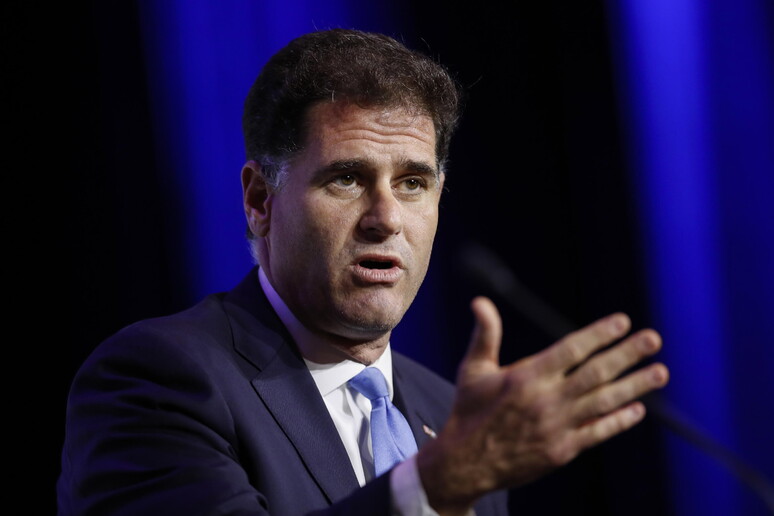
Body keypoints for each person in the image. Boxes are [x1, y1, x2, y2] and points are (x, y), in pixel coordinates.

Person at [56, 29, 669, 516]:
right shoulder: (159, 381)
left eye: (413, 183)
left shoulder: (451, 415)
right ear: (260, 200)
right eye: (347, 178)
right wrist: (434, 485)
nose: (387, 218)